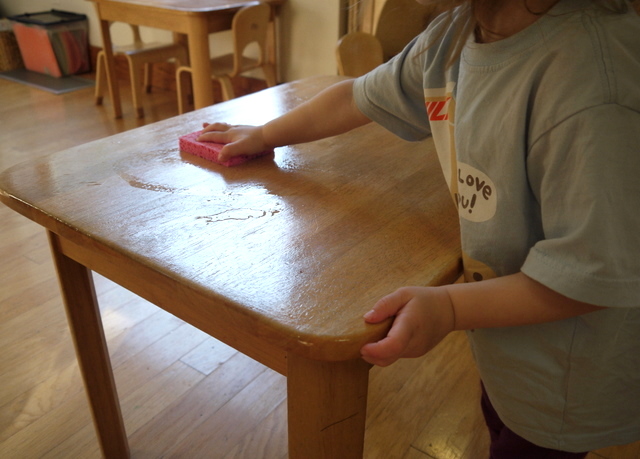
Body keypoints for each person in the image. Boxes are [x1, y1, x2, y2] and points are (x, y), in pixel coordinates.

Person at [198, 0, 640, 457]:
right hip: (507, 343)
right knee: (499, 416)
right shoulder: (455, 34)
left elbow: (588, 275)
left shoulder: (595, 83)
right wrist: (266, 134)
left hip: (568, 375)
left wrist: (449, 308)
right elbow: (355, 96)